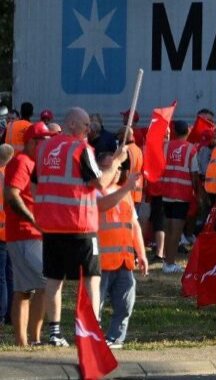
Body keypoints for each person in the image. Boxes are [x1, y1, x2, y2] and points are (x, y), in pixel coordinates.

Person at [35, 107, 128, 347]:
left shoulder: (44, 148)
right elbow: (101, 182)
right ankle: (91, 330)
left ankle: (55, 333)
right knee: (91, 278)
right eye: (87, 125)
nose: (90, 130)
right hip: (80, 225)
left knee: (54, 280)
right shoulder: (81, 150)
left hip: (52, 225)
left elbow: (36, 184)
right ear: (74, 125)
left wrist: (45, 208)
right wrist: (116, 161)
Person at [5, 124, 55, 347]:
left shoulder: (35, 163)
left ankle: (27, 341)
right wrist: (33, 219)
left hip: (31, 235)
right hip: (25, 234)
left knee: (25, 290)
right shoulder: (21, 162)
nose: (48, 145)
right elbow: (11, 195)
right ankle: (30, 340)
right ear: (34, 142)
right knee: (46, 282)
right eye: (45, 141)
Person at [96, 152, 148, 349]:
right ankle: (93, 337)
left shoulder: (124, 192)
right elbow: (101, 206)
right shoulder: (95, 191)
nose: (117, 172)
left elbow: (134, 225)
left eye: (118, 168)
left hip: (124, 261)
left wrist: (141, 254)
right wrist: (127, 187)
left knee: (125, 303)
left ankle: (116, 338)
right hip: (101, 261)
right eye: (111, 167)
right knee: (96, 305)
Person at [159, 120, 199, 274]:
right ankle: (169, 263)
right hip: (181, 194)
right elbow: (194, 174)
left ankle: (167, 262)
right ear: (187, 132)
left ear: (174, 131)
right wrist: (197, 193)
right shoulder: (191, 149)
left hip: (166, 192)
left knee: (168, 229)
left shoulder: (166, 146)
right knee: (176, 231)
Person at [0, 144, 14, 331]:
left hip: (1, 232)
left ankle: (1, 314)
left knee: (1, 276)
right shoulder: (11, 176)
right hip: (11, 232)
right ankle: (11, 313)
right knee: (11, 275)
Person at [117, 127, 144, 208]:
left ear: (123, 135)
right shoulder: (138, 150)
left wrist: (117, 186)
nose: (118, 138)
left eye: (118, 135)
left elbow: (125, 173)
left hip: (126, 193)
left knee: (125, 220)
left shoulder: (125, 150)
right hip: (137, 192)